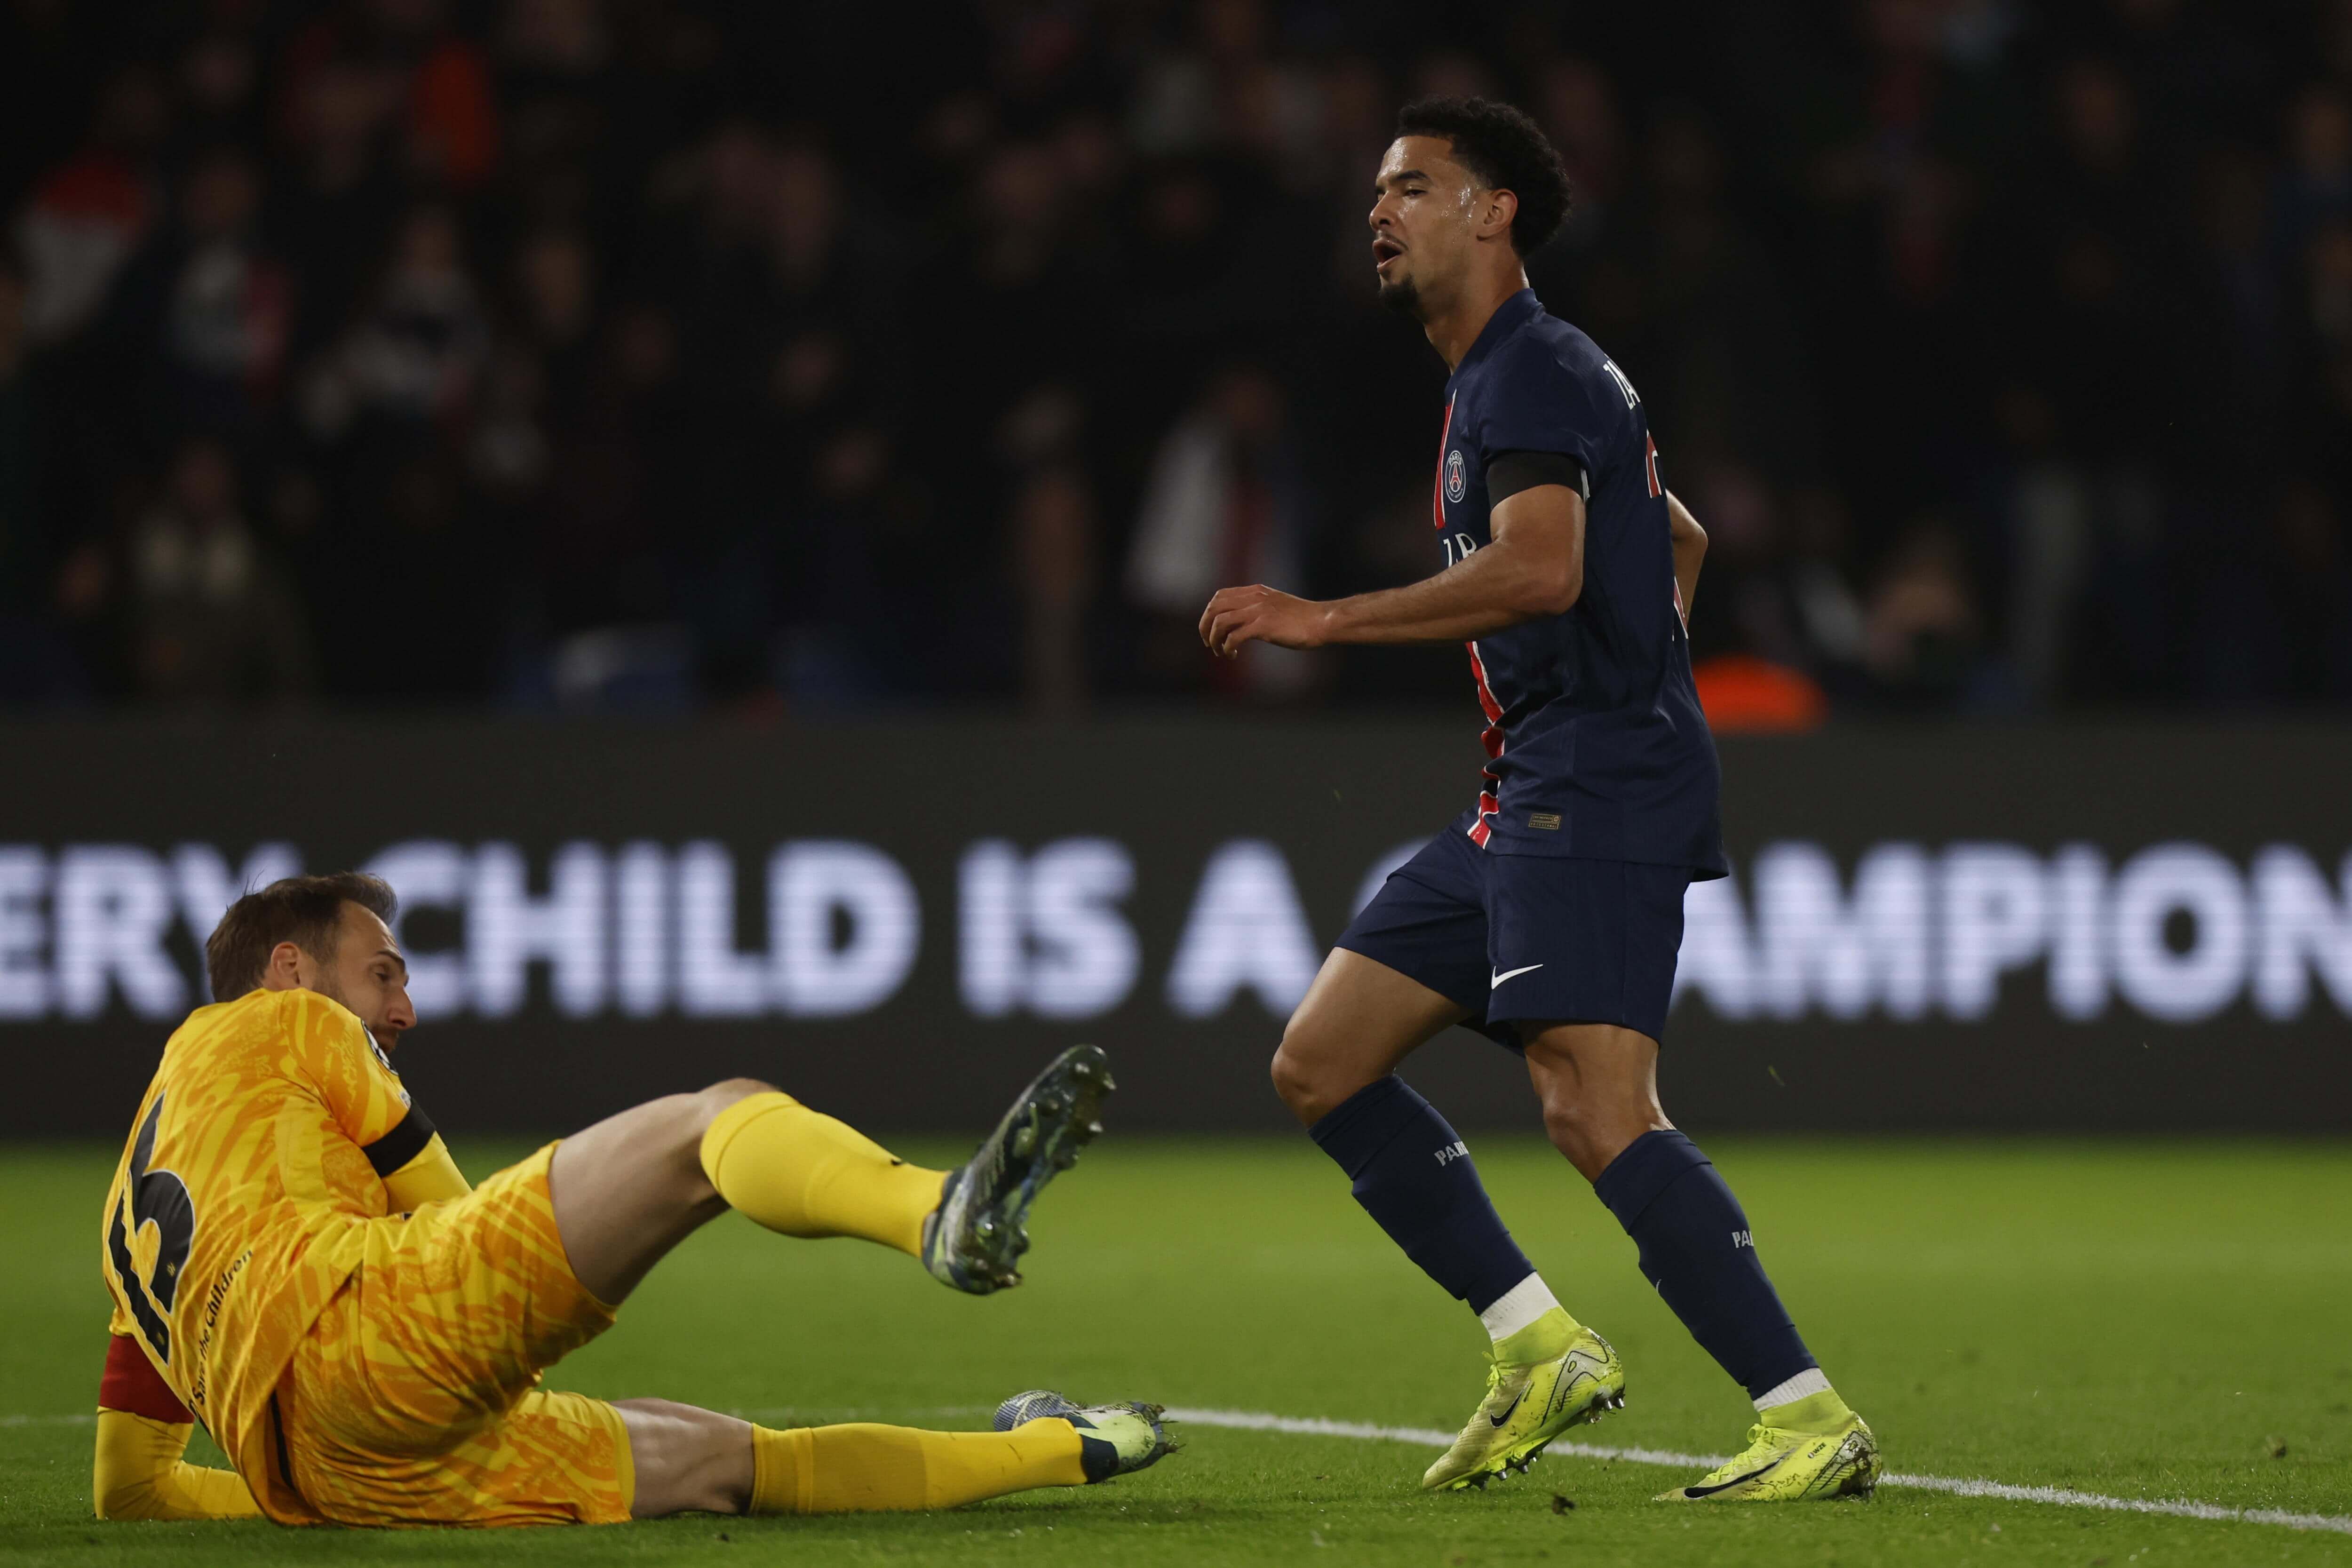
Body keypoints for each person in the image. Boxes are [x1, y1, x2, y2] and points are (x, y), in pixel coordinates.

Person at [1199, 97, 1878, 1504]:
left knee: (1596, 1105)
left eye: (1413, 187)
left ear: (1494, 209)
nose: (1379, 212)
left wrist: (1326, 618)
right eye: (1374, 193)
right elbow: (1667, 535)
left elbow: (1544, 570)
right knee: (1322, 1058)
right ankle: (1537, 1342)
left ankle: (1805, 1412)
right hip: (1537, 784)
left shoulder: (1532, 371)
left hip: (1592, 782)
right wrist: (1647, 666)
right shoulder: (1507, 380)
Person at [93, 872, 1171, 1527]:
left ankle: (1072, 1444)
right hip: (380, 1337)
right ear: (288, 969)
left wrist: (301, 1495)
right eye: (384, 972)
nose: (403, 1007)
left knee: (724, 1462)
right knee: (713, 1124)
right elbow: (456, 1207)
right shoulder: (289, 1021)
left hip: (339, 1468)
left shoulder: (125, 1218)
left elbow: (130, 1491)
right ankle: (938, 1209)